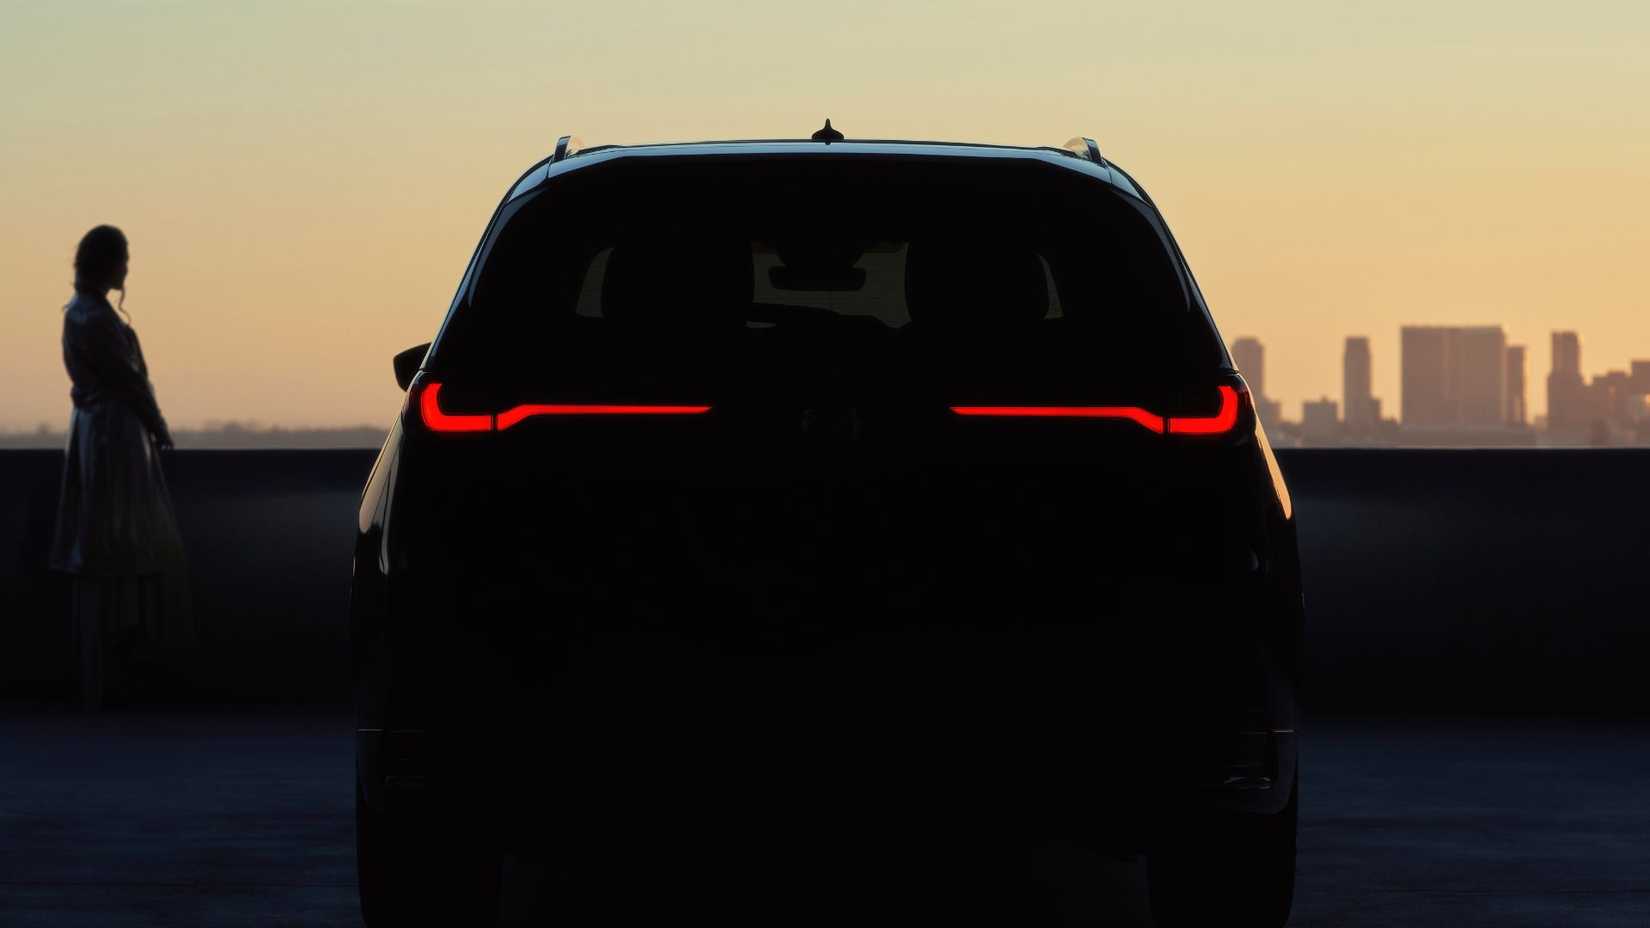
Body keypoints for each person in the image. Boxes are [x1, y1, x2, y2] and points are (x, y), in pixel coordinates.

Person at [48, 225, 191, 710]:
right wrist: (158, 425)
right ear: (107, 263)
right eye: (122, 258)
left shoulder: (78, 313)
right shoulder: (95, 319)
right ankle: (120, 670)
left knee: (101, 544)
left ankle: (105, 672)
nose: (127, 268)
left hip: (97, 433)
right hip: (116, 439)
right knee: (120, 543)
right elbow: (130, 381)